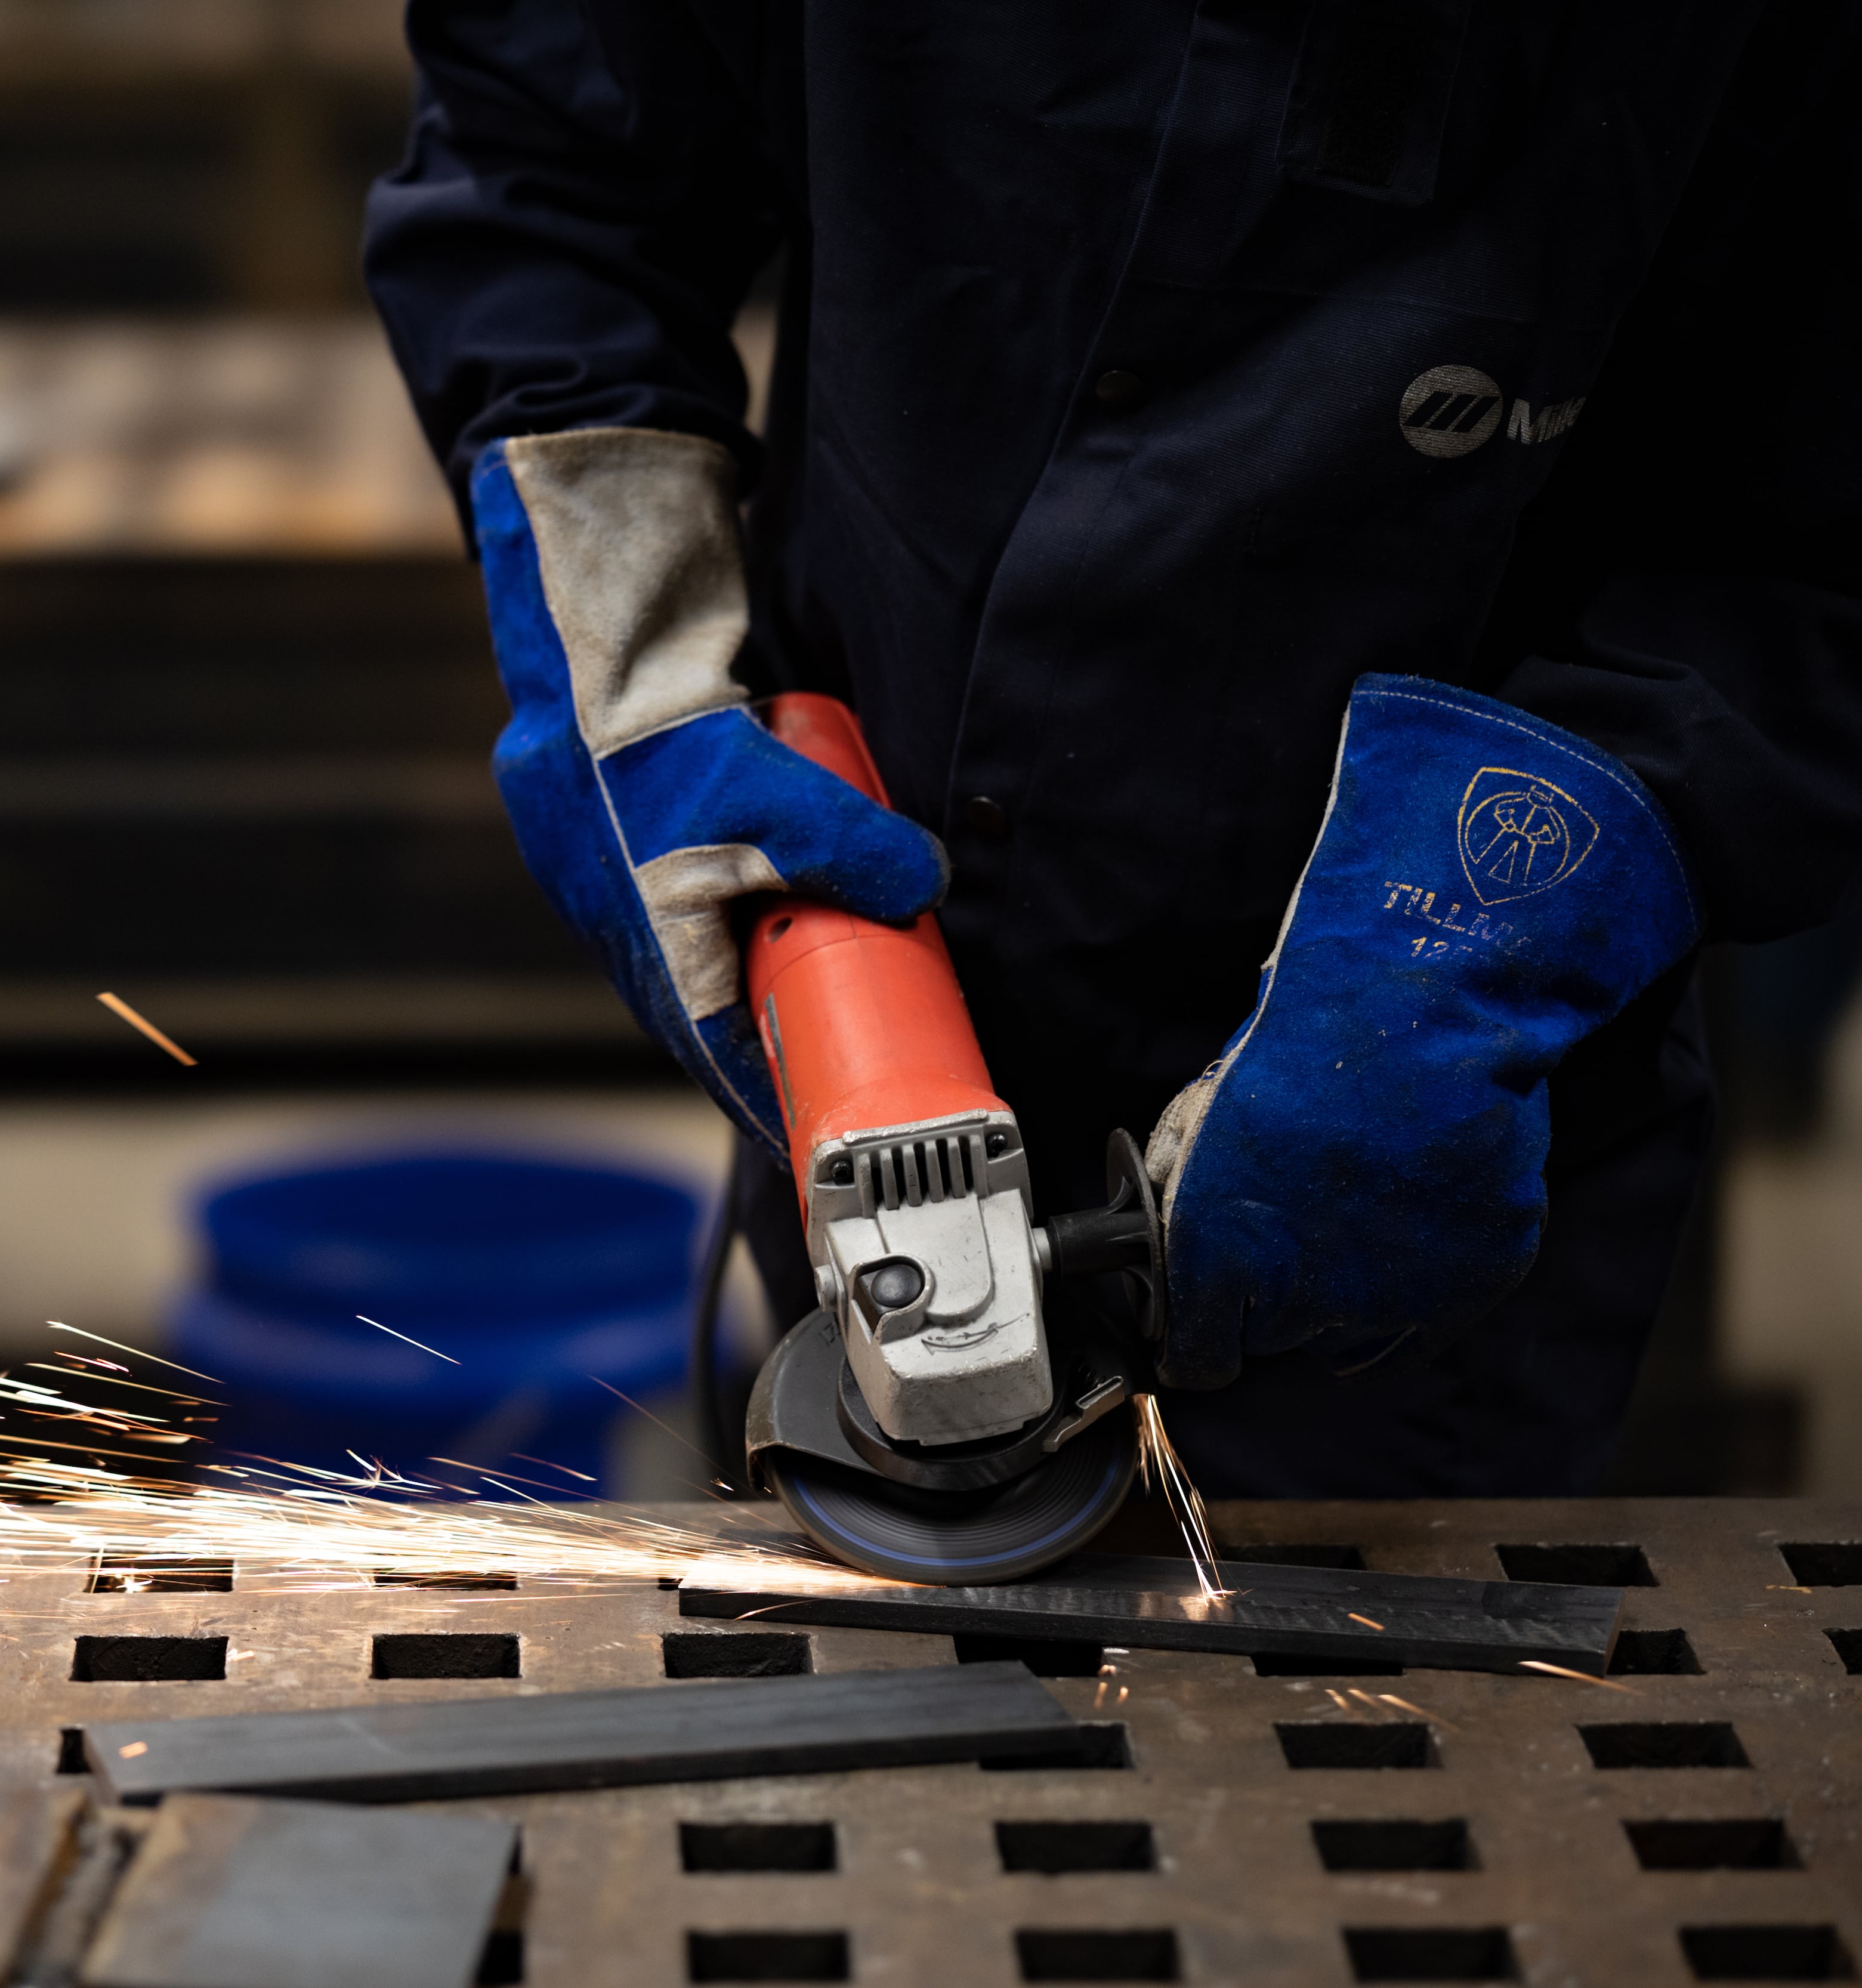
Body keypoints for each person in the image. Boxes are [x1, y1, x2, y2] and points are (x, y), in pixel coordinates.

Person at [362, 2, 1862, 1497]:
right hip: (879, 932)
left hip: (1431, 1150)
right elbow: (549, 154)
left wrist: (1498, 923)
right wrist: (623, 642)